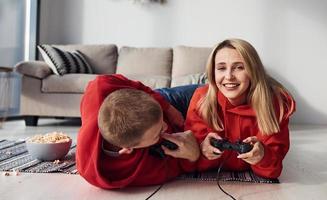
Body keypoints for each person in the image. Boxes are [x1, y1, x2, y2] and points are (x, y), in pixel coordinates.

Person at [185, 38, 296, 179]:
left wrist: (263, 156)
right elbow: (187, 162)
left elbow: (273, 169)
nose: (229, 76)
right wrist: (200, 150)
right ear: (212, 72)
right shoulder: (201, 98)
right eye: (221, 68)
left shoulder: (274, 104)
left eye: (239, 67)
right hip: (194, 96)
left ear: (253, 71)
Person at [76, 74, 200, 189]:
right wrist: (193, 156)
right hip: (184, 137)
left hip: (167, 102)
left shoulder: (99, 90)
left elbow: (102, 80)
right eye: (157, 134)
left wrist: (166, 107)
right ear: (128, 149)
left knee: (211, 90)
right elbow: (180, 166)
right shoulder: (134, 173)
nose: (166, 126)